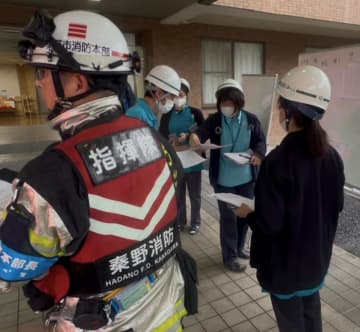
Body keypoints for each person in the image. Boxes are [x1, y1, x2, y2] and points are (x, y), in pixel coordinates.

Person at [0, 9, 197, 331]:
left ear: (77, 82)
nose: (38, 81)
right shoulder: (155, 141)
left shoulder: (53, 175)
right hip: (166, 312)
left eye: (45, 72)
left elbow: (11, 266)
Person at [234, 65, 345, 331]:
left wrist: (248, 214)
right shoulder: (331, 156)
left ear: (289, 111)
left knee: (291, 321)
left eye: (280, 106)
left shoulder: (277, 162)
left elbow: (269, 224)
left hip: (285, 267)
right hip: (315, 260)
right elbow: (337, 206)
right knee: (310, 313)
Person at [189, 79, 266, 272]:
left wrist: (257, 155)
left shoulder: (252, 120)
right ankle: (229, 256)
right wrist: (195, 139)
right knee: (229, 218)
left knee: (245, 216)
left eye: (230, 103)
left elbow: (260, 141)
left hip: (246, 178)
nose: (226, 107)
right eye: (223, 103)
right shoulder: (214, 120)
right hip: (223, 180)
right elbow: (199, 134)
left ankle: (239, 248)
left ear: (239, 103)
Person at [159, 78, 205, 235]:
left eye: (182, 94)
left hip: (193, 160)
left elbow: (202, 132)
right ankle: (180, 221)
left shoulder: (195, 113)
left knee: (195, 195)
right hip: (176, 160)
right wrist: (171, 138)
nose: (178, 98)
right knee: (179, 194)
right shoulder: (166, 115)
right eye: (175, 95)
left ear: (187, 95)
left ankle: (196, 222)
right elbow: (162, 135)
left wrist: (189, 135)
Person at [126, 65, 181, 129]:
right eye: (172, 97)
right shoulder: (137, 115)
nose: (173, 101)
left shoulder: (150, 116)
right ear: (159, 93)